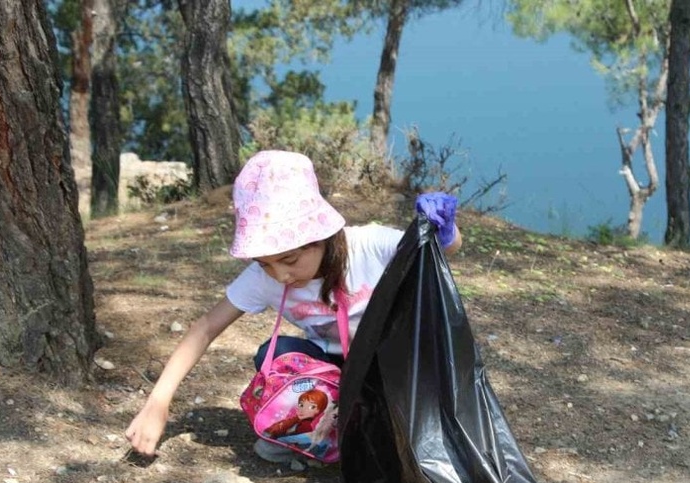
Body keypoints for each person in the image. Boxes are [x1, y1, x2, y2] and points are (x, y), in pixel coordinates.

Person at [124, 150, 462, 462]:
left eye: (288, 259)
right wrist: (158, 402)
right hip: (333, 370)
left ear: (322, 237)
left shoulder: (369, 246)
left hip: (388, 369)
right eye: (265, 263)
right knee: (276, 353)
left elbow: (443, 250)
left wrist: (444, 231)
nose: (280, 275)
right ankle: (314, 434)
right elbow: (206, 328)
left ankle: (378, 430)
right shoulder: (265, 277)